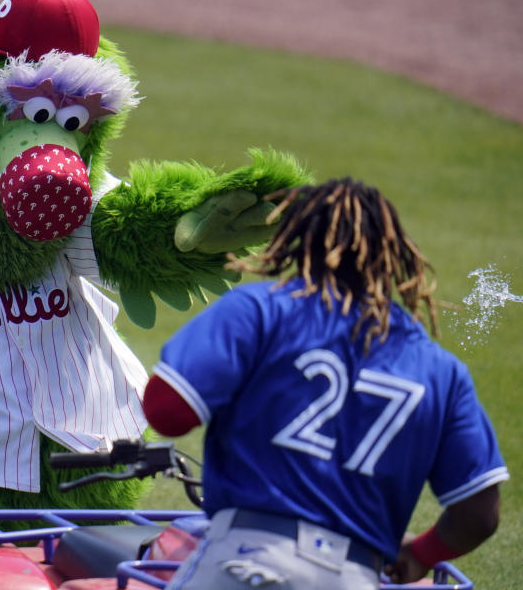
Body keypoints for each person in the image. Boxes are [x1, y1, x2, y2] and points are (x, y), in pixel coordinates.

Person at [142, 178, 508, 589]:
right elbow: (479, 513)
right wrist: (421, 553)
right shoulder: (442, 370)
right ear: (392, 254)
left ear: (301, 239)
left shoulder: (261, 309)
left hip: (244, 561)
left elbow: (167, 411)